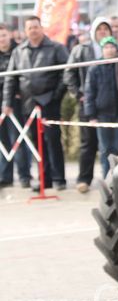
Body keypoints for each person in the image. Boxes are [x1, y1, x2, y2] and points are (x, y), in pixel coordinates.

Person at [2, 16, 68, 191]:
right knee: (36, 143)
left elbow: (65, 73)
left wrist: (56, 95)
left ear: (41, 28)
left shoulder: (56, 48)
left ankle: (59, 179)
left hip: (50, 102)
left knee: (52, 140)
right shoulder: (19, 51)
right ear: (25, 30)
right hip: (28, 104)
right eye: (29, 28)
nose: (33, 30)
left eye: (36, 27)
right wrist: (7, 103)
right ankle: (44, 179)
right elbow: (11, 78)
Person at [64, 16, 112, 193]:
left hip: (109, 105)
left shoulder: (114, 48)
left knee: (111, 145)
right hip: (88, 104)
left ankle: (109, 178)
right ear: (93, 31)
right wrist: (78, 94)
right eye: (99, 29)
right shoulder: (81, 49)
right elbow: (69, 74)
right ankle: (84, 179)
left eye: (106, 29)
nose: (102, 32)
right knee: (88, 143)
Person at [84, 37, 118, 183]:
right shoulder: (95, 67)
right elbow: (89, 93)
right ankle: (107, 177)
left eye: (112, 47)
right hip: (102, 115)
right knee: (105, 148)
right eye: (106, 47)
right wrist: (91, 115)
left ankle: (117, 177)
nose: (110, 50)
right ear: (102, 50)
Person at [0, 24, 32, 188]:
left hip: (15, 104)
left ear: (10, 35)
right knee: (3, 142)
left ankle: (24, 175)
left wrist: (14, 96)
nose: (2, 39)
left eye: (4, 35)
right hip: (1, 103)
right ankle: (5, 176)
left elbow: (20, 78)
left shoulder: (19, 52)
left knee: (18, 141)